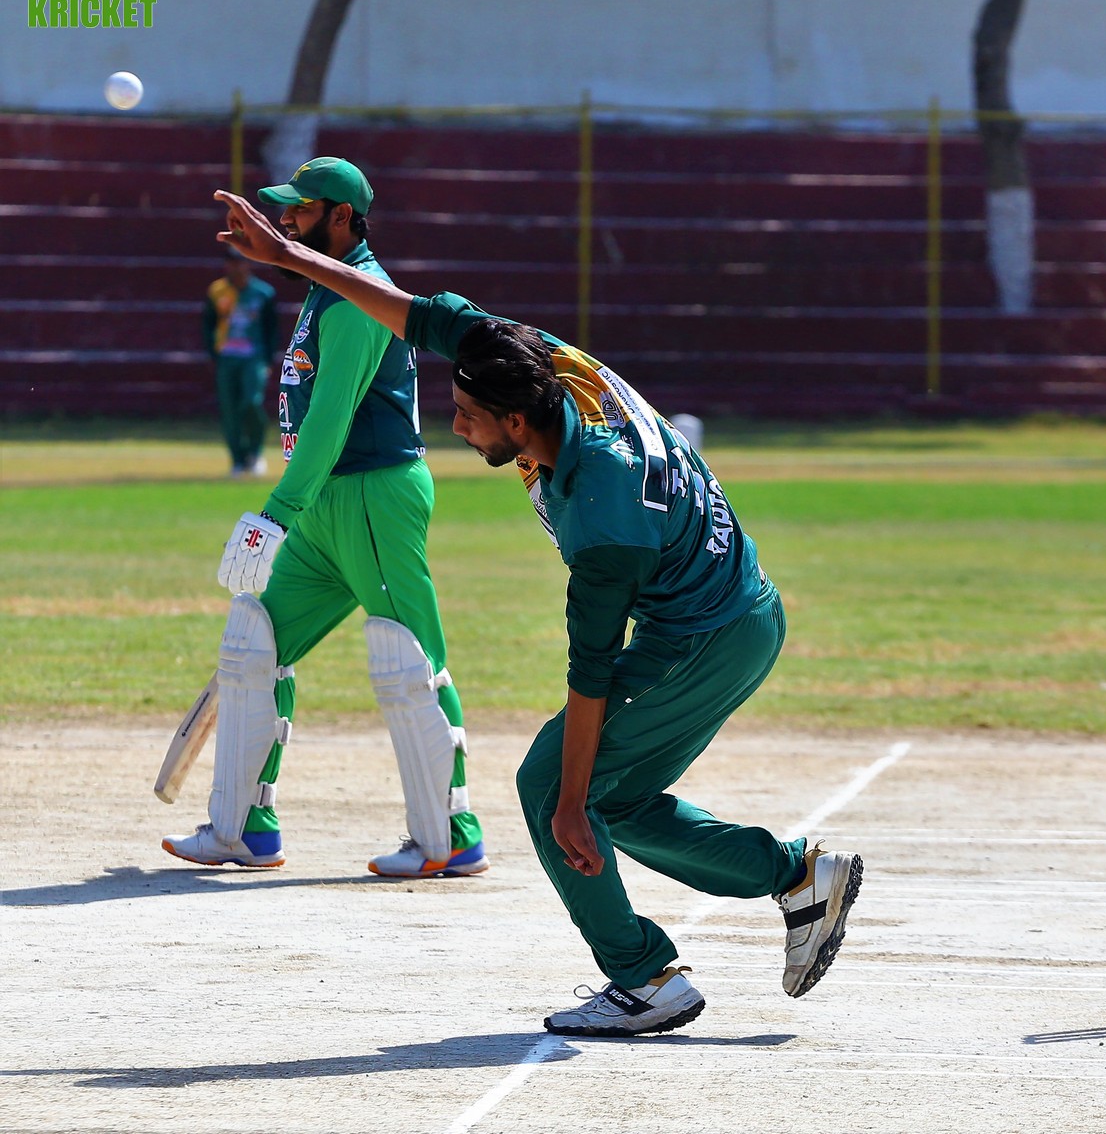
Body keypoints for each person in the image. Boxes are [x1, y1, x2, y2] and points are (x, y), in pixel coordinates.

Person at [213, 187, 864, 1036]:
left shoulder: (601, 511)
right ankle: (796, 879)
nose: (456, 429)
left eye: (466, 418)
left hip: (710, 635)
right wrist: (293, 258)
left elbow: (591, 668)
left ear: (516, 421)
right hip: (724, 612)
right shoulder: (528, 358)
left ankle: (644, 980)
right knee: (616, 801)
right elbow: (418, 315)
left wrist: (566, 806)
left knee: (555, 786)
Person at [163, 159, 487, 880]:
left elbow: (331, 419)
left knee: (407, 658)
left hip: (373, 493)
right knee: (254, 645)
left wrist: (276, 512)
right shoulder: (324, 291)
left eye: (302, 211)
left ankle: (452, 836)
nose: (287, 221)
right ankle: (243, 830)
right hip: (327, 501)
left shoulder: (361, 297)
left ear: (343, 218)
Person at [203, 248, 278, 476]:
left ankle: (255, 453)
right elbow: (208, 325)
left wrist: (268, 360)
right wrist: (213, 354)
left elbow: (271, 328)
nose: (236, 267)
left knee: (251, 402)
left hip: (253, 357)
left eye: (240, 262)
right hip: (227, 357)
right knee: (229, 410)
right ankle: (237, 459)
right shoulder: (217, 291)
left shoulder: (263, 293)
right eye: (231, 262)